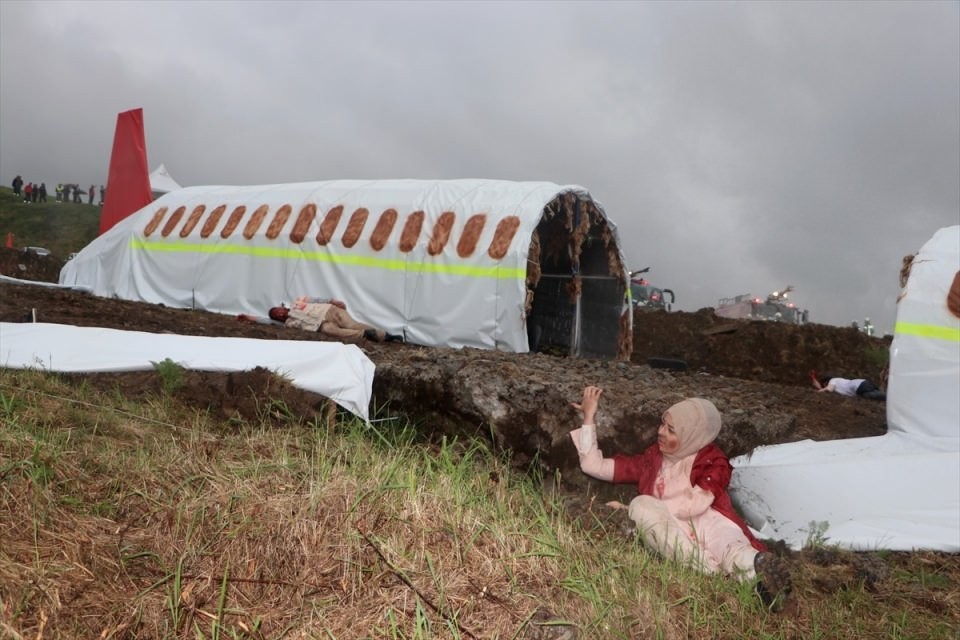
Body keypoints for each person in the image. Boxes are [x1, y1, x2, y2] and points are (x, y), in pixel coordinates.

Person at [570, 386, 792, 609]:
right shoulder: (651, 460)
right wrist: (589, 417)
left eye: (671, 429)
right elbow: (593, 465)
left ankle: (760, 577)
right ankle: (720, 578)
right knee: (643, 507)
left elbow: (693, 504)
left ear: (693, 435)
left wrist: (626, 509)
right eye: (662, 424)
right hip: (672, 530)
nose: (661, 432)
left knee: (731, 547)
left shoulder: (713, 462)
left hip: (710, 522)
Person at [268, 296, 403, 344]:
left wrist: (332, 301)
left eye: (277, 311)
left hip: (328, 311)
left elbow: (316, 299)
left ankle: (385, 336)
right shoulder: (289, 324)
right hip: (321, 324)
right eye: (276, 316)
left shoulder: (297, 302)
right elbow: (264, 320)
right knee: (333, 331)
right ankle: (364, 335)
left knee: (352, 324)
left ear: (280, 307)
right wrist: (247, 317)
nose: (279, 314)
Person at [812, 373, 885, 401]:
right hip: (863, 384)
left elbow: (829, 389)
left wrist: (818, 391)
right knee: (877, 395)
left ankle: (892, 398)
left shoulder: (833, 380)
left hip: (859, 387)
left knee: (872, 396)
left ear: (826, 383)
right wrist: (820, 387)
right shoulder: (839, 380)